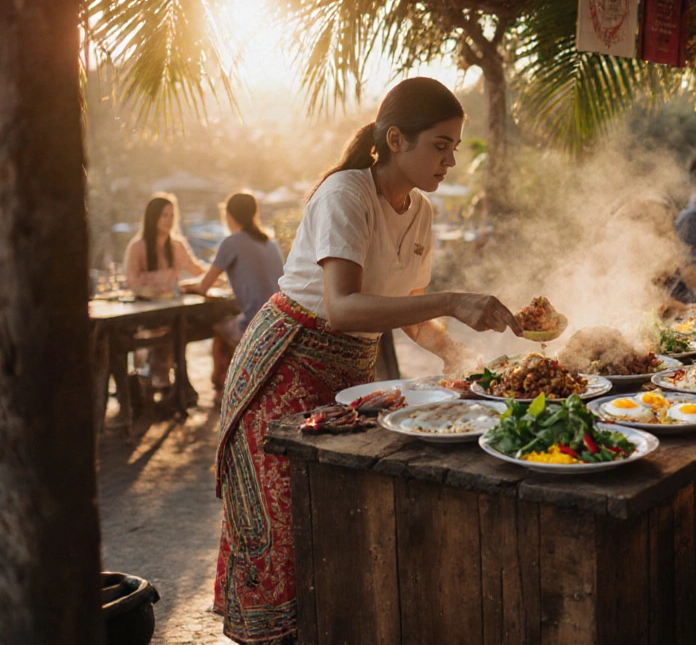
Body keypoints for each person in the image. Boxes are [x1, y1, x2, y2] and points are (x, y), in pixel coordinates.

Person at [212, 78, 522, 645]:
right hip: (286, 363)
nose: (452, 160)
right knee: (285, 524)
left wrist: (459, 354)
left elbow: (404, 310)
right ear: (396, 139)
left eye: (455, 146)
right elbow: (343, 307)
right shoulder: (346, 195)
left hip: (350, 373)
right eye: (440, 145)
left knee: (339, 516)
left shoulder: (421, 210)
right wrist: (454, 300)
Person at [190, 192, 285, 406]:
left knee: (219, 329)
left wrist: (190, 286)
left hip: (255, 326)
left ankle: (221, 391)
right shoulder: (270, 241)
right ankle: (234, 385)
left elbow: (204, 286)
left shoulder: (232, 242)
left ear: (229, 215)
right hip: (280, 322)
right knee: (229, 323)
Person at [123, 194, 208, 387]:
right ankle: (158, 378)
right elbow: (131, 282)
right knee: (164, 332)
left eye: (171, 215)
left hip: (173, 310)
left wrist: (220, 273)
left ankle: (169, 382)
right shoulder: (138, 246)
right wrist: (157, 287)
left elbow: (197, 269)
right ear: (153, 217)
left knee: (188, 326)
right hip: (146, 313)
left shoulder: (177, 245)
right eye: (164, 215)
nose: (169, 220)